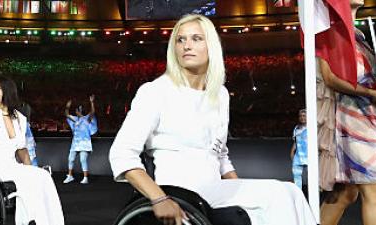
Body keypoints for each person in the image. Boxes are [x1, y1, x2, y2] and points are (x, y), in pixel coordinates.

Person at [109, 14, 314, 225]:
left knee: (291, 192)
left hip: (214, 188)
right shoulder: (156, 92)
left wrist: (241, 189)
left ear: (211, 46)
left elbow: (221, 154)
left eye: (196, 38)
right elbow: (121, 154)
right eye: (181, 39)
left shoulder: (220, 94)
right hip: (179, 189)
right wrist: (160, 197)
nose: (187, 45)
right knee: (277, 196)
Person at [315, 1, 376, 225]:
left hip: (367, 116)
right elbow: (330, 78)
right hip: (349, 118)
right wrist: (371, 94)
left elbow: (371, 81)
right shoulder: (328, 30)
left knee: (345, 194)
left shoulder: (359, 35)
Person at [0, 76, 65, 225]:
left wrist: (30, 168)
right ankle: (29, 221)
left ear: (7, 91)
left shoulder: (20, 118)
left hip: (11, 164)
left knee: (43, 176)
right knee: (28, 179)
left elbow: (22, 150)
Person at [63, 96, 97, 184]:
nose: (77, 111)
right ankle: (70, 176)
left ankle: (85, 178)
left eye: (79, 110)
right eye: (77, 110)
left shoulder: (87, 118)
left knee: (83, 159)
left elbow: (93, 112)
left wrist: (92, 102)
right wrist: (67, 106)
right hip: (75, 143)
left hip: (84, 143)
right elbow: (66, 114)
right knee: (70, 159)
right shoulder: (75, 119)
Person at [290, 109, 307, 188]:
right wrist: (292, 152)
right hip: (298, 156)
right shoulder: (296, 128)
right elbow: (296, 142)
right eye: (300, 116)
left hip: (309, 156)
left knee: (312, 177)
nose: (302, 117)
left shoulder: (313, 128)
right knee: (297, 178)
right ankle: (299, 196)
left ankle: (313, 198)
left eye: (304, 116)